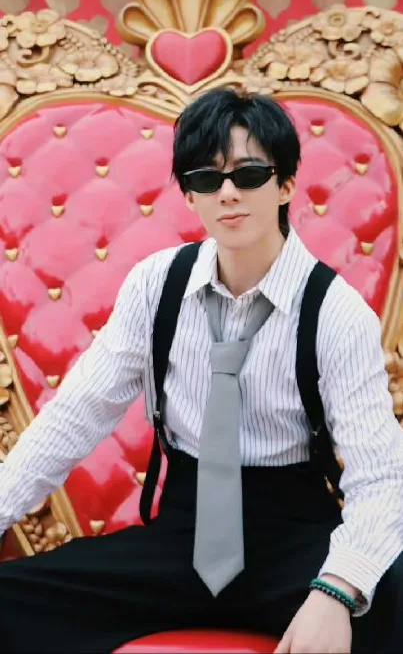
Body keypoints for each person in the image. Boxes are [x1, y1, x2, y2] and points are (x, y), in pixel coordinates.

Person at [0, 86, 402, 654]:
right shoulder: (154, 285)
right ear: (190, 196)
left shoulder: (336, 313)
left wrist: (335, 592)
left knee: (390, 600)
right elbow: (73, 418)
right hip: (181, 541)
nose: (229, 194)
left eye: (249, 174)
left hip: (295, 540)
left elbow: (380, 478)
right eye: (207, 179)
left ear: (286, 184)